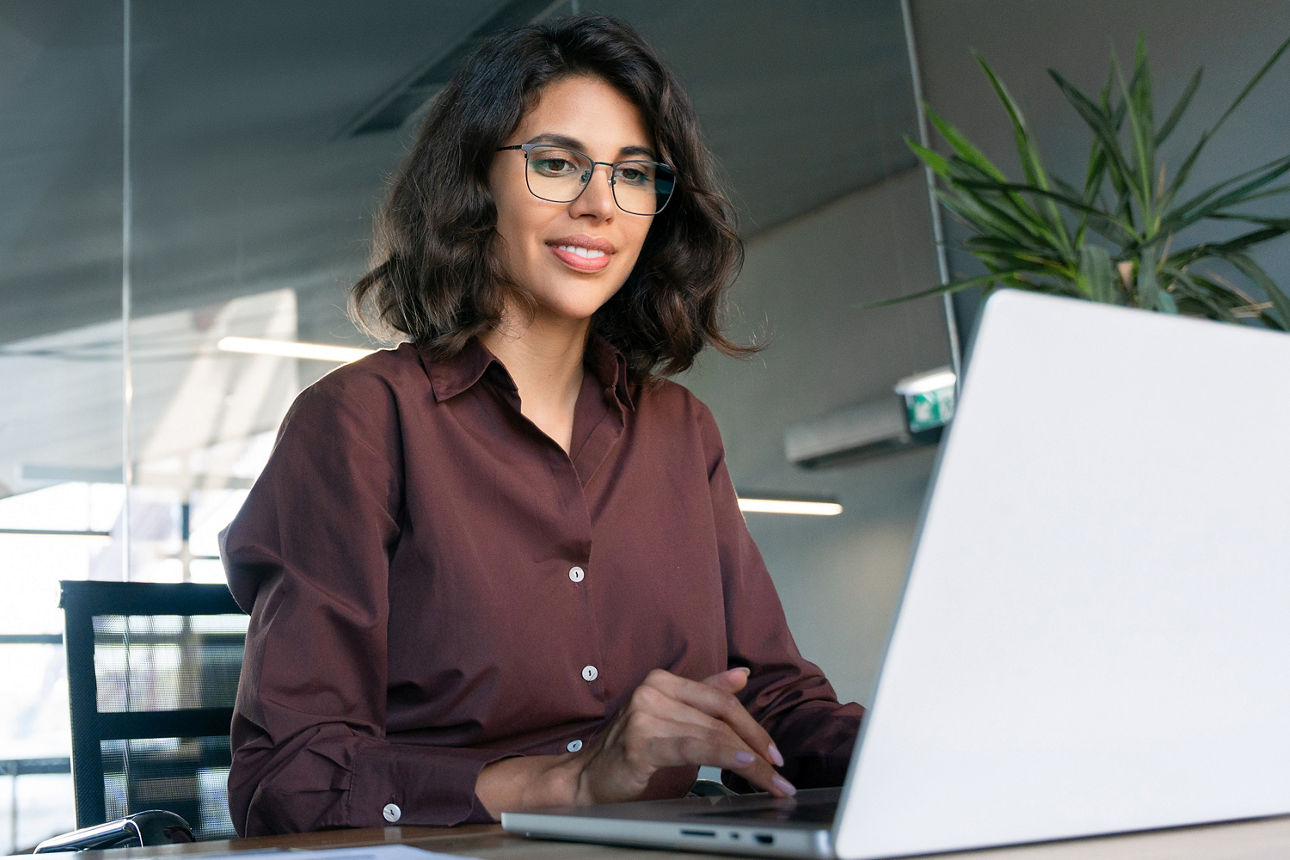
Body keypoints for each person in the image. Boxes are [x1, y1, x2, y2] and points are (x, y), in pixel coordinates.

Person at [220, 14, 864, 837]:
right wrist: (571, 786)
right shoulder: (358, 424)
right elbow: (287, 781)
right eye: (556, 164)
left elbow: (773, 699)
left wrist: (913, 752)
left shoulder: (680, 431)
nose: (600, 204)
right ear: (473, 186)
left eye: (633, 175)